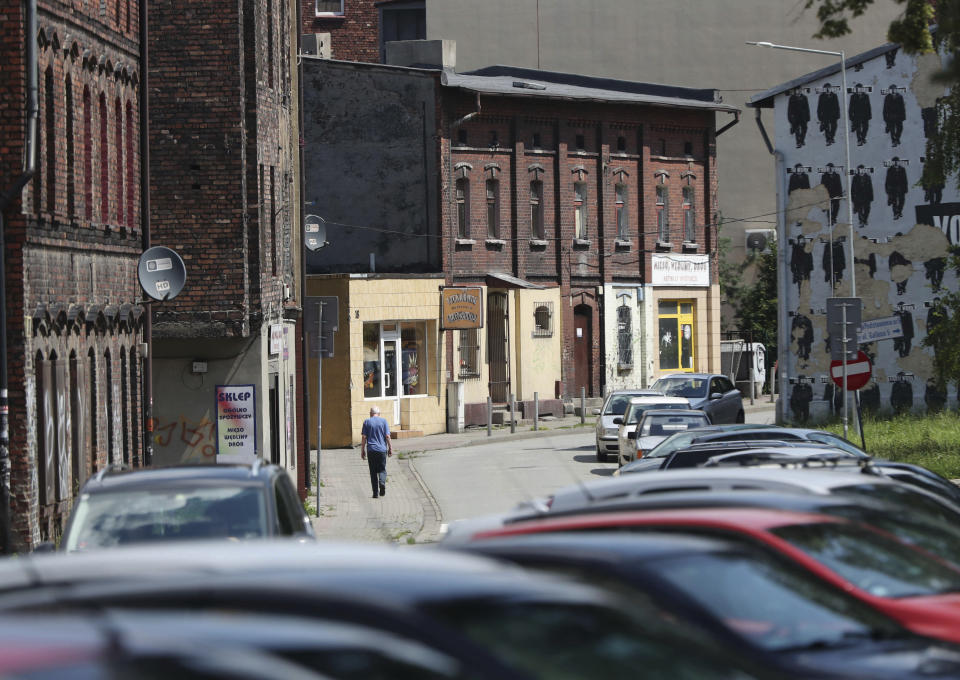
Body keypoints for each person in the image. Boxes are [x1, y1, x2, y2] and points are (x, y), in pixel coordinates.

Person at [360, 406, 393, 498]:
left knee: (373, 472)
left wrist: (362, 450)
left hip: (371, 450)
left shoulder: (367, 422)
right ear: (379, 413)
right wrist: (390, 448)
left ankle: (375, 493)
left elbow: (364, 437)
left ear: (370, 413)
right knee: (382, 469)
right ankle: (382, 482)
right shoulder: (384, 421)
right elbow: (387, 436)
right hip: (382, 450)